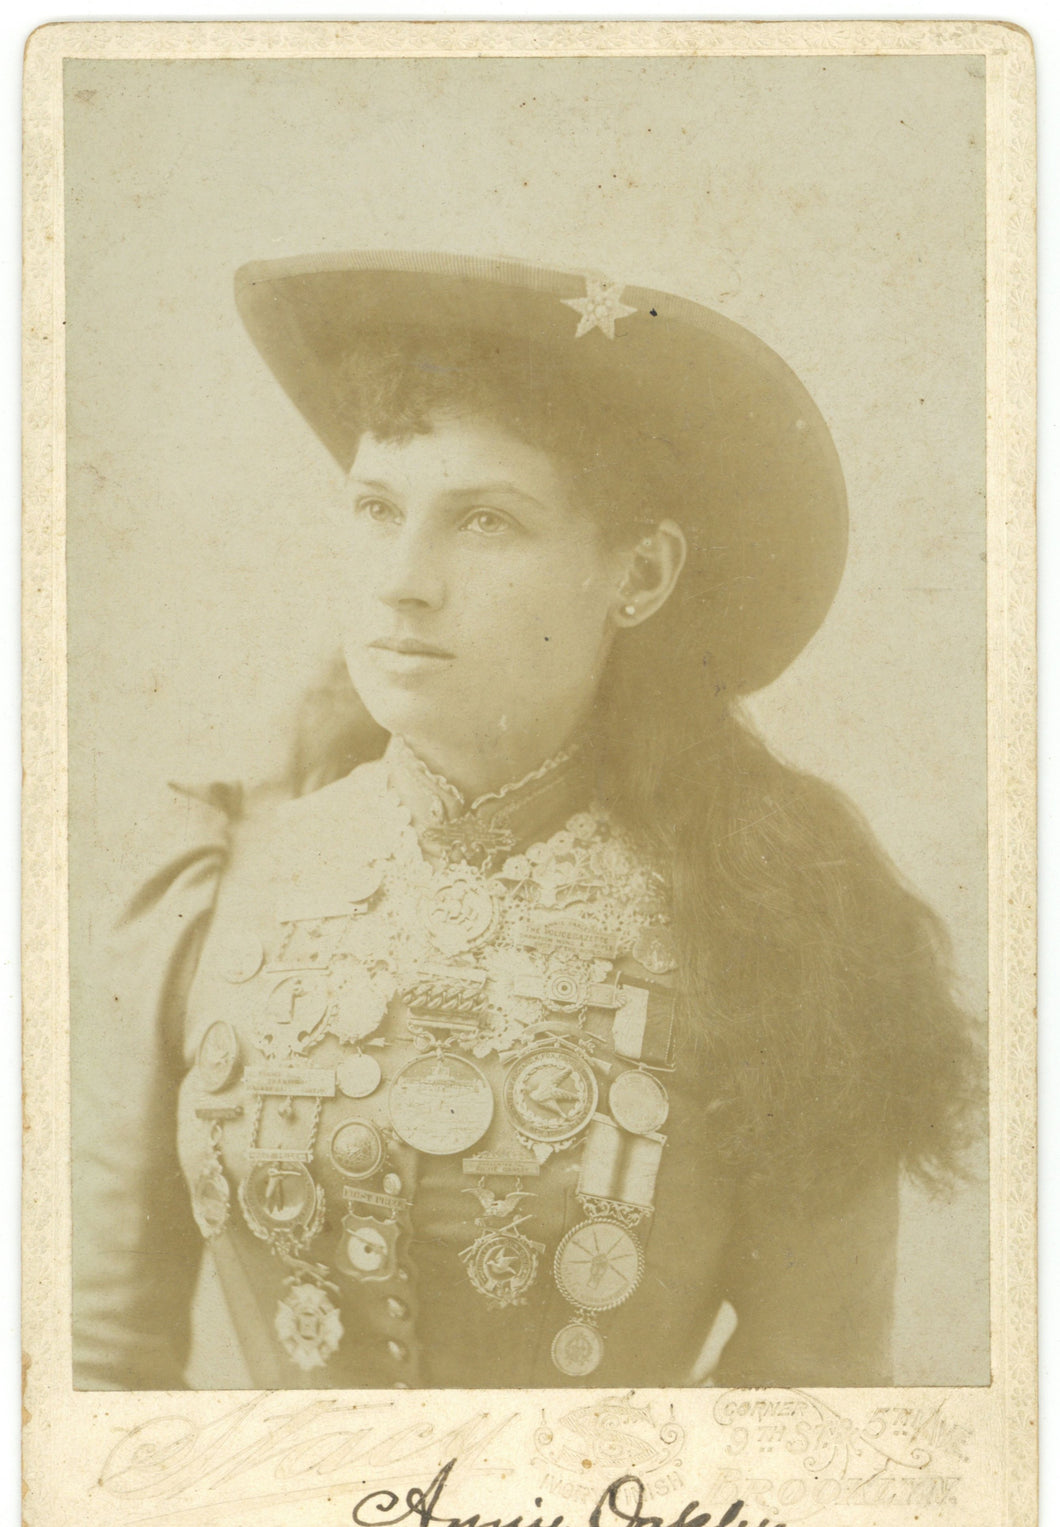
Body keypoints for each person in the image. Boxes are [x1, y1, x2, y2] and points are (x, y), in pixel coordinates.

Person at [73, 253, 983, 1392]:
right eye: (374, 509)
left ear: (638, 575)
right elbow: (94, 1372)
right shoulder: (209, 889)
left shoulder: (778, 919)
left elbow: (815, 1400)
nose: (402, 580)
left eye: (485, 522)